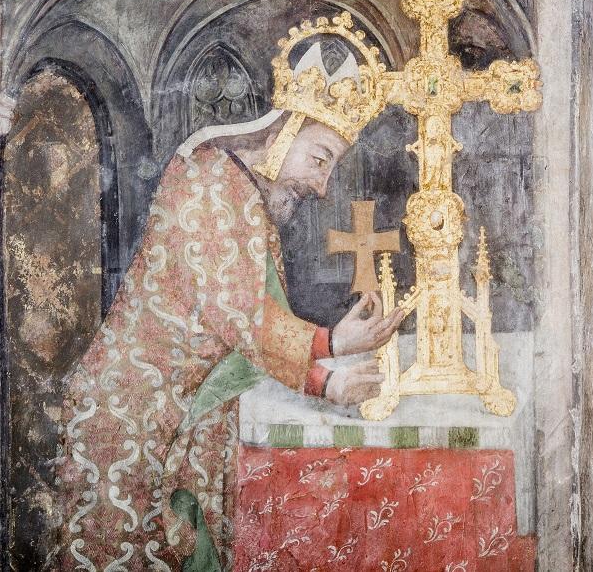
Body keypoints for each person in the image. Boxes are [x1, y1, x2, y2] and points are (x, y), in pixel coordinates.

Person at [59, 37, 403, 570]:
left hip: (179, 406)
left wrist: (331, 348)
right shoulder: (211, 181)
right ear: (284, 130)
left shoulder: (241, 193)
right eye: (319, 160)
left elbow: (243, 321)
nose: (321, 185)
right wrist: (328, 368)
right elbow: (238, 314)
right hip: (133, 411)